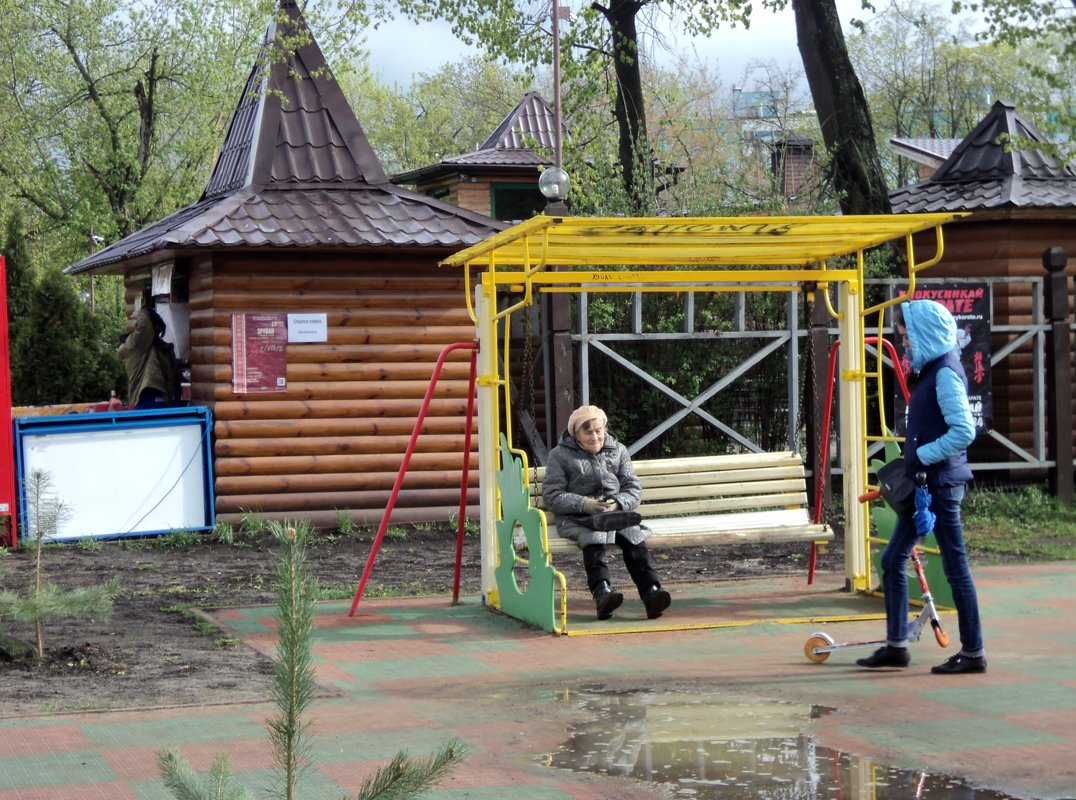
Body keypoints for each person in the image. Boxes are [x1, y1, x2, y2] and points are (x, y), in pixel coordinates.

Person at [857, 300, 985, 674]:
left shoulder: (944, 373)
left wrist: (924, 454)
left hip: (941, 486)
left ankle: (974, 652)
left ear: (924, 333)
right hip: (926, 485)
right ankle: (897, 646)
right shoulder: (931, 370)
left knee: (955, 567)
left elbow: (963, 431)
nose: (904, 342)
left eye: (906, 335)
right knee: (892, 559)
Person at [542, 405, 672, 620]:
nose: (595, 437)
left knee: (634, 539)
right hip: (579, 516)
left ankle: (651, 593)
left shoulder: (618, 450)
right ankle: (602, 594)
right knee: (593, 540)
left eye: (598, 430)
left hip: (614, 514)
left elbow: (632, 488)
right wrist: (586, 504)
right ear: (576, 435)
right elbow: (552, 495)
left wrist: (617, 502)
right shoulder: (560, 455)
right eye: (588, 432)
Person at [119, 302, 181, 410]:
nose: (157, 332)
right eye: (155, 328)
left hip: (162, 401)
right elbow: (145, 326)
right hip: (146, 401)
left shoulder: (161, 348)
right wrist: (141, 308)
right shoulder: (136, 345)